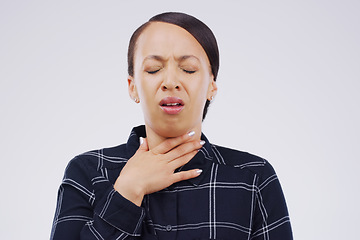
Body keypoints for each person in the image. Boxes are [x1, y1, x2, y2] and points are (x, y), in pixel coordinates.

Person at [51, 12, 293, 240]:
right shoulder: (87, 172)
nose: (170, 82)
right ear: (132, 86)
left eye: (188, 69)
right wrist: (127, 191)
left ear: (212, 86)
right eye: (154, 69)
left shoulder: (253, 177)